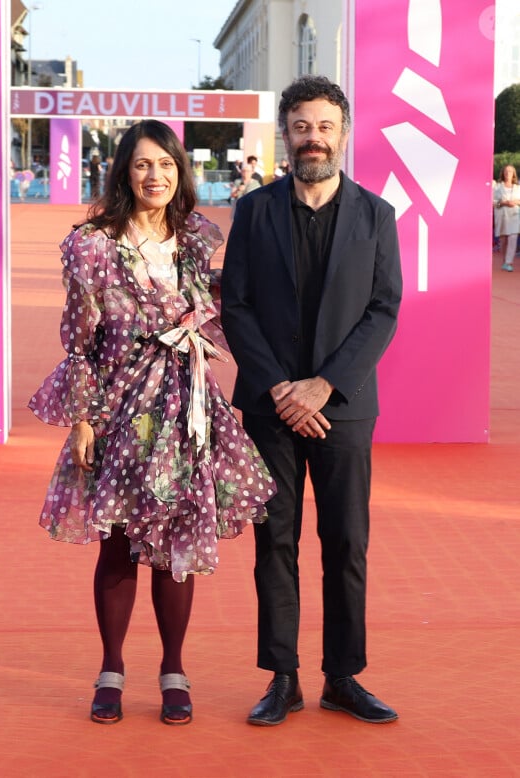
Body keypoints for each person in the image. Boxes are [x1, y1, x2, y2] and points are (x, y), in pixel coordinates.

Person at [29, 120, 275, 727]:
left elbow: (222, 309)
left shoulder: (195, 238)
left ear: (179, 172)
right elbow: (80, 341)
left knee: (175, 542)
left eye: (165, 164)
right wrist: (82, 419)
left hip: (185, 407)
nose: (155, 175)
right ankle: (111, 668)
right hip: (119, 408)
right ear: (123, 172)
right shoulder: (91, 244)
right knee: (116, 541)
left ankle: (173, 669)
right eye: (142, 165)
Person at [221, 75, 403, 726]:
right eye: (302, 126)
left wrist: (325, 384)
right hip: (270, 408)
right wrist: (278, 386)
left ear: (344, 135)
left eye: (325, 126)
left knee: (346, 542)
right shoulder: (253, 212)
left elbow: (383, 310)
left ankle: (343, 677)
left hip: (345, 408)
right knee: (275, 541)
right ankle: (283, 678)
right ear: (286, 134)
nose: (313, 138)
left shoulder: (377, 216)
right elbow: (234, 306)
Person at [493, 164, 520, 271]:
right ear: (503, 173)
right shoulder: (498, 187)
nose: (508, 173)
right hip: (502, 216)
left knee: (513, 237)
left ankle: (509, 262)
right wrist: (504, 202)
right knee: (503, 240)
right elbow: (494, 202)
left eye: (510, 171)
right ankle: (504, 261)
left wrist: (515, 202)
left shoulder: (518, 187)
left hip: (514, 215)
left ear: (513, 174)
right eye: (506, 171)